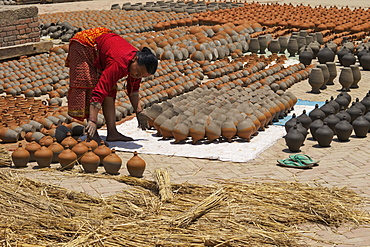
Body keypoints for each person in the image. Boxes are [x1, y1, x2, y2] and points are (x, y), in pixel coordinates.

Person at [66, 27, 158, 143]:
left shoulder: (136, 66)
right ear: (135, 59)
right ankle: (92, 132)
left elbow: (133, 89)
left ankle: (112, 132)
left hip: (102, 47)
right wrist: (93, 120)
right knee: (89, 84)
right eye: (138, 73)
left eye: (141, 76)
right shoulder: (119, 63)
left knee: (111, 90)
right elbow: (100, 90)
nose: (137, 76)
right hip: (84, 45)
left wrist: (139, 112)